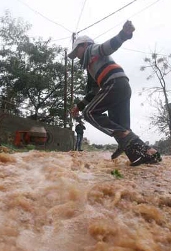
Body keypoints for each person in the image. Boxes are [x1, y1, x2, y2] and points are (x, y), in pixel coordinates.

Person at [69, 21, 161, 166]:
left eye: (76, 52)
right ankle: (148, 154)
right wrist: (78, 107)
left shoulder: (92, 49)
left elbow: (107, 47)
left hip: (114, 84)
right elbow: (93, 92)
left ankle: (125, 139)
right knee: (120, 126)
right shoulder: (91, 67)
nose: (77, 56)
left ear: (84, 45)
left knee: (90, 113)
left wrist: (124, 35)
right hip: (122, 87)